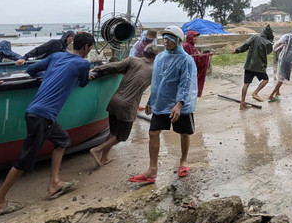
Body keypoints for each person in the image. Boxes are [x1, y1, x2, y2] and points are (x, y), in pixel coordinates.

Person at [0, 33, 95, 218]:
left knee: (62, 140)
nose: (90, 50)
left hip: (38, 113)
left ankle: (54, 183)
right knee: (23, 162)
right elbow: (83, 83)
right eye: (91, 47)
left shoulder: (57, 56)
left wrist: (50, 75)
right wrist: (86, 75)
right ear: (85, 47)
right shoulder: (83, 64)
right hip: (41, 117)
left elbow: (31, 70)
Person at [128, 26, 197, 184]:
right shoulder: (160, 58)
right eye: (164, 38)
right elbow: (157, 82)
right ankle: (152, 170)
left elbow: (185, 83)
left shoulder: (185, 60)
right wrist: (151, 100)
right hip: (162, 102)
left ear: (178, 41)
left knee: (184, 132)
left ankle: (184, 160)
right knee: (153, 132)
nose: (166, 41)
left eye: (170, 38)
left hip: (180, 104)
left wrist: (179, 104)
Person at [87, 44, 160, 167]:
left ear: (144, 53)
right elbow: (157, 89)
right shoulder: (154, 71)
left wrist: (97, 69)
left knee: (113, 132)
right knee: (122, 136)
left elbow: (114, 66)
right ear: (155, 56)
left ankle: (104, 158)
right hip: (128, 106)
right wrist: (150, 103)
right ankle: (97, 150)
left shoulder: (132, 60)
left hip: (114, 101)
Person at [233, 24, 275, 109]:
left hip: (249, 65)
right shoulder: (268, 42)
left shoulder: (255, 36)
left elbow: (246, 44)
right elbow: (268, 52)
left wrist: (237, 50)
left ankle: (242, 102)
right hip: (259, 66)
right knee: (266, 79)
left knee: (246, 83)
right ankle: (255, 92)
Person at [267, 26, 292, 102]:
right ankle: (271, 96)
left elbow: (276, 45)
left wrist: (277, 48)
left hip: (284, 60)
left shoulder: (288, 36)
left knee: (281, 76)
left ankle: (277, 92)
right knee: (284, 78)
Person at [182, 30, 212, 97]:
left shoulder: (193, 47)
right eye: (194, 37)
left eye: (196, 37)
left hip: (192, 71)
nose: (195, 38)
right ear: (190, 37)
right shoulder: (185, 46)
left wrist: (207, 55)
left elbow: (199, 57)